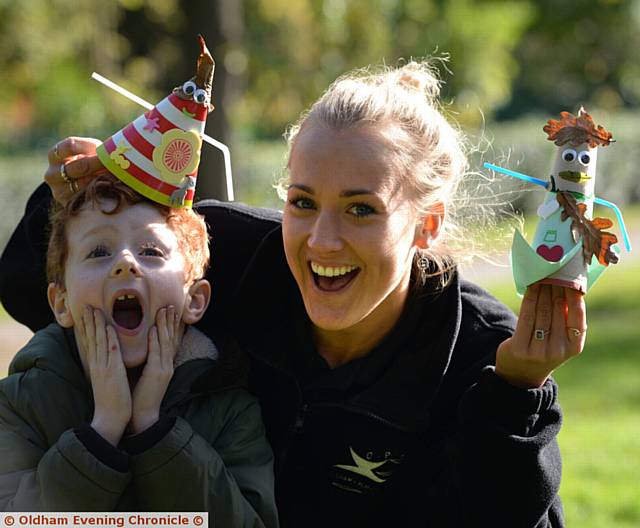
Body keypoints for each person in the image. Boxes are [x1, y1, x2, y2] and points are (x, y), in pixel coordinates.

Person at [0, 61, 587, 527]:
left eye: (362, 209)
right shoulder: (236, 255)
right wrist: (64, 200)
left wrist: (516, 397)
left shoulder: (482, 350)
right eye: (302, 202)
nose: (322, 241)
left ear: (426, 224)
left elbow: (507, 515)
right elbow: (43, 293)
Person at [0, 175, 278, 526]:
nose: (126, 262)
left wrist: (153, 430)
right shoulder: (18, 405)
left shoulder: (231, 412)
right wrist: (103, 430)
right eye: (99, 252)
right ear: (61, 302)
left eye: (151, 252)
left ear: (194, 300)